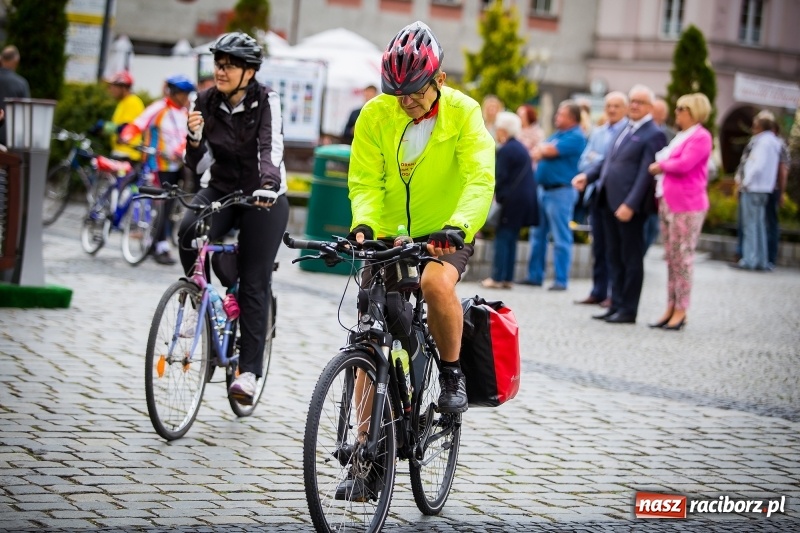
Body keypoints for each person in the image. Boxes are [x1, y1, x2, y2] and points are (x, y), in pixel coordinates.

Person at [344, 20, 493, 501]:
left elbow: (478, 178)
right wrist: (364, 225)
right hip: (388, 232)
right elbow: (365, 179)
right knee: (370, 334)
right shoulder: (376, 114)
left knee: (434, 286)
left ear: (439, 82)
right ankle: (367, 456)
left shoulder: (465, 114)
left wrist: (459, 225)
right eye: (397, 93)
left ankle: (450, 373)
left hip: (446, 231)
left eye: (413, 93)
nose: (404, 102)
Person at [182, 31, 290, 403]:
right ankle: (204, 302)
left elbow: (270, 146)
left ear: (250, 71)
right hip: (223, 189)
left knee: (254, 277)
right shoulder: (205, 101)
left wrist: (267, 183)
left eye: (229, 65)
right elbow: (196, 167)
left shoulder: (266, 100)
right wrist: (193, 139)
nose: (221, 71)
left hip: (264, 196)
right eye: (218, 64)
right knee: (187, 231)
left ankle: (248, 373)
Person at [572, 85, 667, 324]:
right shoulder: (625, 127)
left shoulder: (653, 133)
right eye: (632, 101)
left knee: (631, 258)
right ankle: (615, 303)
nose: (634, 105)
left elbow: (646, 175)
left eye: (639, 102)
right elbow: (607, 161)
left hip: (628, 207)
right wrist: (589, 176)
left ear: (650, 107)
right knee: (613, 256)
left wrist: (630, 204)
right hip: (606, 200)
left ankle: (628, 309)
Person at [646, 93, 713, 331]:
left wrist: (661, 166)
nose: (677, 112)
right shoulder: (682, 136)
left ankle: (681, 309)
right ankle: (671, 306)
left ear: (693, 111)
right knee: (672, 258)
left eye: (681, 109)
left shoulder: (702, 136)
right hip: (669, 201)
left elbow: (685, 164)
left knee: (683, 259)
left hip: (687, 204)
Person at [121, 74, 196, 266]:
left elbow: (189, 136)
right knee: (161, 204)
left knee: (170, 205)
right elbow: (138, 124)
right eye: (184, 94)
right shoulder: (159, 108)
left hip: (177, 165)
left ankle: (159, 239)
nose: (186, 97)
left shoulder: (186, 112)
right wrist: (127, 135)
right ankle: (158, 244)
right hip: (157, 164)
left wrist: (181, 150)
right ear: (176, 93)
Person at [521, 100, 586, 291]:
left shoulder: (576, 136)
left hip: (561, 192)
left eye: (561, 115)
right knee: (537, 235)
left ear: (572, 118)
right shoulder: (558, 134)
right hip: (544, 190)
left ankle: (560, 280)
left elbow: (548, 150)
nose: (557, 117)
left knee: (560, 237)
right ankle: (534, 276)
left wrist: (542, 150)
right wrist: (541, 150)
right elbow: (537, 151)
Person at [573, 91, 629, 307]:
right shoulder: (598, 132)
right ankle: (598, 290)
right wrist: (599, 160)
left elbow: (608, 162)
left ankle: (614, 295)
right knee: (599, 246)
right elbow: (584, 161)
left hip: (616, 196)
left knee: (614, 249)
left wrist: (599, 159)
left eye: (616, 106)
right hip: (596, 192)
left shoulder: (626, 131)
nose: (612, 110)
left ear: (624, 109)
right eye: (609, 106)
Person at [481, 111, 538, 289]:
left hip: (511, 201)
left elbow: (501, 177)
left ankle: (497, 278)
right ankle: (507, 278)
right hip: (524, 200)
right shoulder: (520, 148)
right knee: (511, 239)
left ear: (503, 130)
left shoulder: (506, 149)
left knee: (502, 238)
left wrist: (496, 198)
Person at [730, 114, 781, 271]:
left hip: (753, 188)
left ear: (760, 127)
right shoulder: (774, 142)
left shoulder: (762, 142)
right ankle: (761, 259)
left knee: (750, 225)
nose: (753, 128)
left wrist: (745, 183)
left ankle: (750, 259)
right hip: (765, 189)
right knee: (759, 225)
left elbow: (756, 165)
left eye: (755, 125)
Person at [644, 97, 678, 251]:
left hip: (660, 187)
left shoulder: (672, 135)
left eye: (659, 113)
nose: (655, 115)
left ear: (665, 115)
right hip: (643, 183)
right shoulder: (644, 130)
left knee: (653, 226)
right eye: (654, 112)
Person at [100, 71, 144, 162]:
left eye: (113, 86)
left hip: (127, 154)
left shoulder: (132, 102)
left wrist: (104, 126)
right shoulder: (123, 102)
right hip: (120, 152)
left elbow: (125, 127)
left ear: (123, 87)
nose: (110, 89)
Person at [0, 45, 30, 147]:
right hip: (10, 137)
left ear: (1, 59)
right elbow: (26, 112)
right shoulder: (21, 84)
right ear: (16, 60)